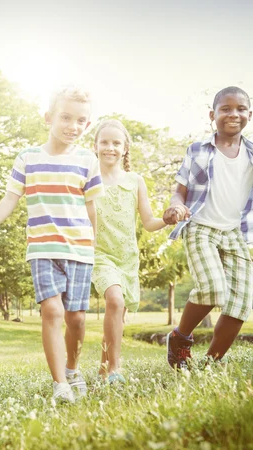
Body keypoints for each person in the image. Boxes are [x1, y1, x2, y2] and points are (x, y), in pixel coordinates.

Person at [0, 88, 104, 403]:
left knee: (77, 318)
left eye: (81, 121)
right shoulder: (28, 158)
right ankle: (60, 384)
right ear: (49, 118)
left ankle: (72, 368)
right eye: (66, 117)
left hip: (80, 249)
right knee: (52, 311)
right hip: (43, 249)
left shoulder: (88, 160)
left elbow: (91, 209)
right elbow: (10, 199)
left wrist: (95, 244)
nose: (73, 126)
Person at [164, 86, 253, 369]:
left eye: (240, 109)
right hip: (200, 227)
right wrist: (176, 205)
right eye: (225, 109)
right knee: (214, 288)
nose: (233, 114)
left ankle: (211, 364)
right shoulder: (198, 150)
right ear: (212, 114)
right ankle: (180, 338)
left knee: (240, 303)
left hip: (234, 232)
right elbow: (179, 191)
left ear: (249, 114)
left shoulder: (251, 153)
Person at [91, 119, 166, 383]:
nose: (109, 147)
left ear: (125, 149)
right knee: (115, 301)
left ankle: (102, 369)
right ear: (95, 146)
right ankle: (115, 369)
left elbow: (148, 222)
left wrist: (167, 219)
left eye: (116, 143)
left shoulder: (135, 181)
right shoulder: (86, 180)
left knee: (117, 317)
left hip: (127, 258)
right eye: (104, 142)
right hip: (99, 256)